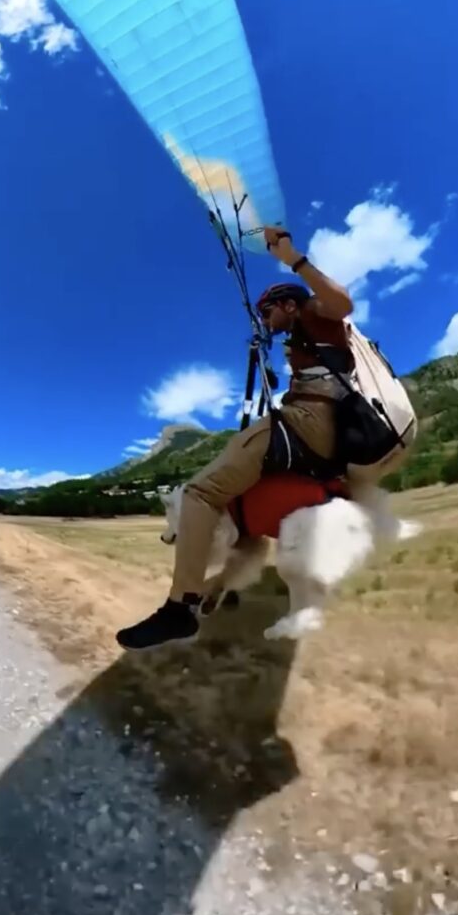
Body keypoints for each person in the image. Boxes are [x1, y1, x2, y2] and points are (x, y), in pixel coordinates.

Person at [115, 225, 359, 651]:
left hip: (310, 422)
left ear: (287, 304)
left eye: (269, 313)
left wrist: (291, 257)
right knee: (241, 519)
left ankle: (179, 608)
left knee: (201, 493)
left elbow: (342, 302)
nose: (267, 322)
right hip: (315, 423)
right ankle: (215, 587)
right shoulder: (305, 338)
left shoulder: (315, 314)